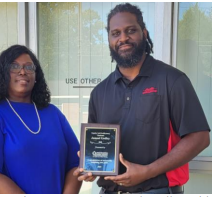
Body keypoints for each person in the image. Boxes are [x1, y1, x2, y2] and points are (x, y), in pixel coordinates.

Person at [73, 3, 210, 194]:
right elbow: (99, 147)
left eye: (130, 30)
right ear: (109, 39)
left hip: (157, 191)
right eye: (116, 33)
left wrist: (147, 172)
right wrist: (91, 168)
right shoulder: (99, 92)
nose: (123, 38)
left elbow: (200, 138)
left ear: (144, 33)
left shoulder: (172, 80)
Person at [0, 45, 82, 194]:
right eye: (14, 66)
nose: (22, 71)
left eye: (29, 67)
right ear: (3, 73)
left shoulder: (53, 113)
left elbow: (75, 163)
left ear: (36, 76)